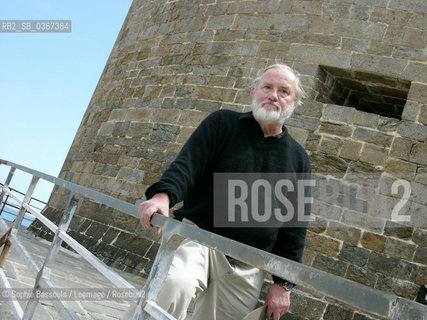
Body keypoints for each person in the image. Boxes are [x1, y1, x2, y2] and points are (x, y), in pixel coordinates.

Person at [139, 63, 311, 320]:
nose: (274, 96)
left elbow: (294, 230)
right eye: (267, 87)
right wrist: (162, 196)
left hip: (248, 264)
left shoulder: (299, 159)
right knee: (173, 286)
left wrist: (284, 283)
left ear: (294, 103)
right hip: (196, 238)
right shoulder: (223, 124)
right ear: (254, 91)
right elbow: (187, 166)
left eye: (284, 91)